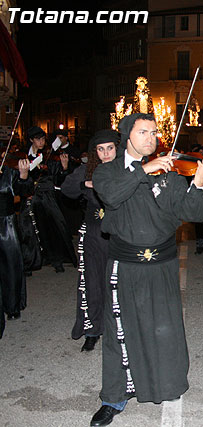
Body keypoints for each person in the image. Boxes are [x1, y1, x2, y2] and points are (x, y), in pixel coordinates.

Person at [89, 113, 203, 426]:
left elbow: (195, 213)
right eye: (143, 131)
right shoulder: (108, 171)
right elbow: (112, 195)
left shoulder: (169, 174)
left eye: (155, 132)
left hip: (162, 265)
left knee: (165, 329)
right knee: (119, 334)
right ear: (126, 136)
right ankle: (114, 398)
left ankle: (166, 384)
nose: (152, 137)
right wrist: (143, 169)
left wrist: (198, 183)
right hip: (125, 266)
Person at [61, 130, 119, 352]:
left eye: (110, 148)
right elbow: (66, 189)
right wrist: (86, 184)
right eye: (100, 149)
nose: (106, 153)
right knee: (93, 283)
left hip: (119, 234)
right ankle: (93, 330)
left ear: (117, 148)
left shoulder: (124, 169)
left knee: (119, 284)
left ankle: (121, 329)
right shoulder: (87, 170)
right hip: (94, 234)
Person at [20, 126, 76, 273]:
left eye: (44, 139)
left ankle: (57, 260)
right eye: (38, 139)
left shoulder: (50, 157)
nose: (42, 142)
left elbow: (58, 180)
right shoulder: (23, 156)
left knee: (55, 226)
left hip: (47, 196)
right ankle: (30, 261)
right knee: (27, 229)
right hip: (30, 195)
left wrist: (64, 168)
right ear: (31, 140)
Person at [0, 156, 32, 332]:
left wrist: (24, 175)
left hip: (5, 227)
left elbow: (24, 190)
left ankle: (12, 306)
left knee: (10, 268)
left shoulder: (9, 173)